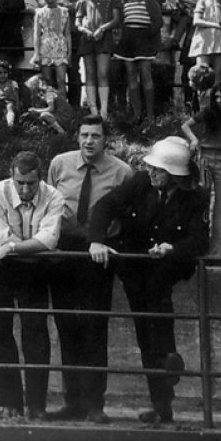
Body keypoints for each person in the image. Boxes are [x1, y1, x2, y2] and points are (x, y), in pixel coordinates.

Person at [88, 136, 208, 424]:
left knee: (158, 321)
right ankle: (162, 398)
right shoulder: (140, 183)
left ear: (176, 175)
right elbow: (104, 206)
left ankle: (166, 382)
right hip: (135, 267)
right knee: (147, 334)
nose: (152, 173)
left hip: (165, 270)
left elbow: (198, 240)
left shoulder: (195, 196)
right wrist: (96, 241)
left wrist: (172, 249)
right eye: (151, 167)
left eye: (160, 170)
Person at [46, 115, 133, 424]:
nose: (89, 141)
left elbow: (127, 216)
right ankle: (73, 402)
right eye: (84, 135)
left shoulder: (122, 172)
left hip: (98, 252)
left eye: (95, 136)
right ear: (76, 137)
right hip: (64, 250)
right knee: (67, 326)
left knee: (94, 328)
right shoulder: (60, 163)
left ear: (105, 139)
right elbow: (50, 204)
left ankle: (95, 404)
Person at [0, 151, 64, 419]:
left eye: (31, 183)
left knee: (36, 335)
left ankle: (37, 405)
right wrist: (17, 246)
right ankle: (10, 403)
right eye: (20, 183)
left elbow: (48, 240)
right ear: (11, 176)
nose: (26, 189)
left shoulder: (53, 196)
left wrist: (14, 247)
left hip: (35, 268)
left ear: (40, 178)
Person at [181, 82, 221, 256]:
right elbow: (186, 125)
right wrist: (193, 139)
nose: (220, 101)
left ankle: (217, 251)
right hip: (205, 158)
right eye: (217, 97)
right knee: (202, 201)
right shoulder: (208, 112)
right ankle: (198, 244)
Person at [116, 0, 163, 122]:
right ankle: (137, 113)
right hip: (128, 41)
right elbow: (122, 22)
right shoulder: (125, 2)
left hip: (144, 41)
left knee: (145, 74)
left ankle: (149, 114)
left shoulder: (148, 0)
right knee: (131, 75)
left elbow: (158, 21)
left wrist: (148, 34)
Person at [75, 0, 120, 119]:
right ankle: (93, 110)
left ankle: (104, 111)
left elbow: (116, 19)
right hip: (87, 40)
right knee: (90, 74)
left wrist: (102, 28)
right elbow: (78, 21)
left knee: (102, 73)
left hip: (104, 39)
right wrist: (84, 30)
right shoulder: (83, 1)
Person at [50, 0, 86, 106]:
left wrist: (69, 5)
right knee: (53, 72)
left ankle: (74, 108)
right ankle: (56, 107)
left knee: (72, 71)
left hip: (72, 32)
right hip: (53, 34)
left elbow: (85, 4)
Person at [32, 0, 71, 94]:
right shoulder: (40, 12)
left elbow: (67, 33)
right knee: (48, 80)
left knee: (61, 79)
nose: (50, 1)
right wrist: (36, 53)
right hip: (45, 46)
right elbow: (37, 33)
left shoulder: (64, 12)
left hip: (60, 46)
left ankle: (63, 107)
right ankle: (51, 106)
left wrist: (69, 53)